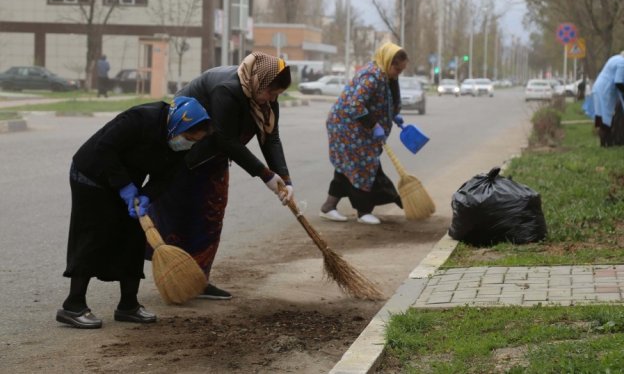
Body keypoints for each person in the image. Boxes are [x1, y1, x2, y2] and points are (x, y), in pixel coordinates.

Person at [148, 52, 293, 300]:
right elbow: (225, 139)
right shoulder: (227, 90)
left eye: (277, 94)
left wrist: (285, 179)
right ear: (259, 81)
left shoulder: (265, 95)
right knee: (180, 213)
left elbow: (271, 138)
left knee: (211, 214)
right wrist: (265, 175)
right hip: (185, 152)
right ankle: (173, 272)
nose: (271, 99)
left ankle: (199, 279)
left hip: (215, 155)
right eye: (271, 92)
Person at [57, 97, 211, 329]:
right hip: (92, 175)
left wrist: (147, 195)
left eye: (193, 142)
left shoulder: (177, 142)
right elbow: (104, 147)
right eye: (187, 138)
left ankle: (128, 305)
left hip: (129, 182)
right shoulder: (140, 119)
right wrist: (124, 186)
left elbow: (166, 176)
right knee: (93, 235)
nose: (187, 144)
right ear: (178, 125)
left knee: (133, 238)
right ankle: (73, 305)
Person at [320, 42, 407, 225]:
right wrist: (374, 125)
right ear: (388, 62)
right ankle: (363, 211)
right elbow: (355, 104)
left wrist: (394, 116)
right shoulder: (372, 76)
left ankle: (329, 207)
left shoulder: (386, 76)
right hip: (346, 127)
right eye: (397, 70)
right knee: (364, 166)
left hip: (359, 129)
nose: (397, 74)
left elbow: (386, 99)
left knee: (348, 166)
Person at [591, 48, 624, 147]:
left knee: (603, 117)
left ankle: (606, 143)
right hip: (605, 91)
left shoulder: (617, 58)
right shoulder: (623, 64)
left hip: (600, 88)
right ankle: (606, 144)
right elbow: (618, 81)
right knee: (607, 118)